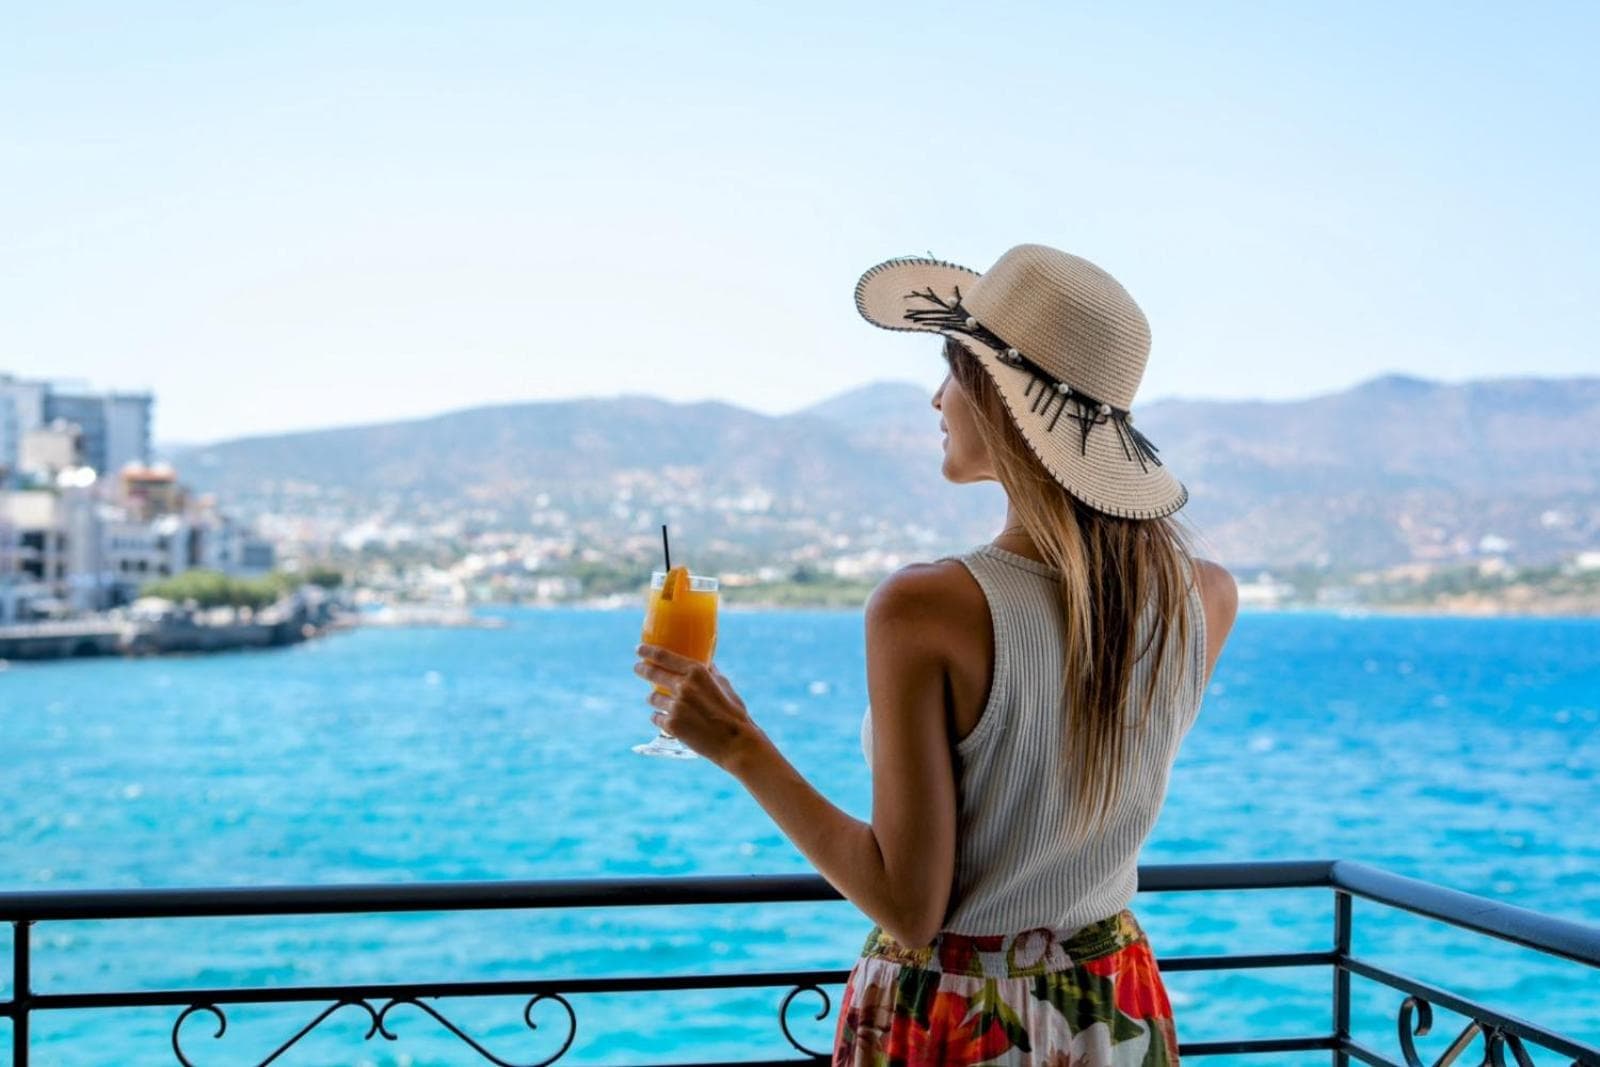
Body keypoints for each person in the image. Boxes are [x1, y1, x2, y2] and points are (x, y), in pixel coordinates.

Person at [634, 243, 1238, 1065]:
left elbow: (909, 906)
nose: (936, 398)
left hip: (960, 1015)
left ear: (995, 398)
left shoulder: (927, 607)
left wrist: (740, 744)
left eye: (951, 371)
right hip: (1112, 1003)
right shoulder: (1206, 595)